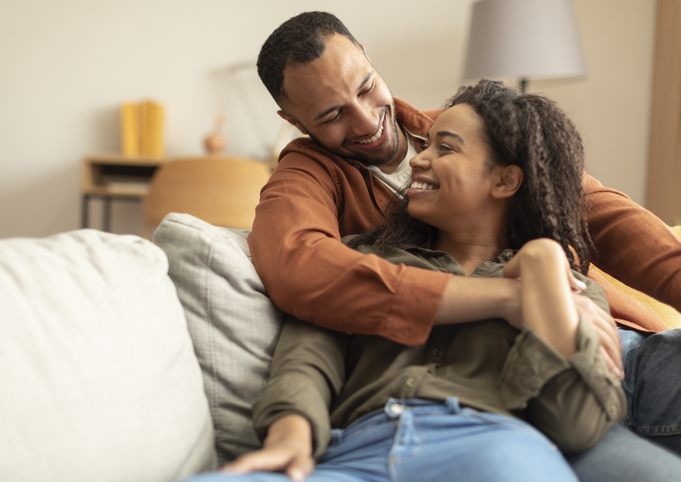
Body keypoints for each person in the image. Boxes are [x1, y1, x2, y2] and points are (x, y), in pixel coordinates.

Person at [247, 11, 681, 462]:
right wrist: (513, 297)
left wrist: (555, 286)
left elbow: (611, 218)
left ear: (367, 58)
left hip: (614, 342)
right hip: (515, 379)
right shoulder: (307, 176)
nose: (365, 120)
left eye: (365, 87)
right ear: (294, 120)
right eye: (333, 114)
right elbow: (298, 267)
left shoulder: (475, 126)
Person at [183, 80, 627, 482]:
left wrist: (543, 261)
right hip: (355, 454)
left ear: (505, 180)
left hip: (493, 450)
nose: (419, 159)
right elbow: (305, 362)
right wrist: (290, 438)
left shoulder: (569, 291)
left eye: (445, 149)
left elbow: (576, 423)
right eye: (426, 144)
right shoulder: (362, 261)